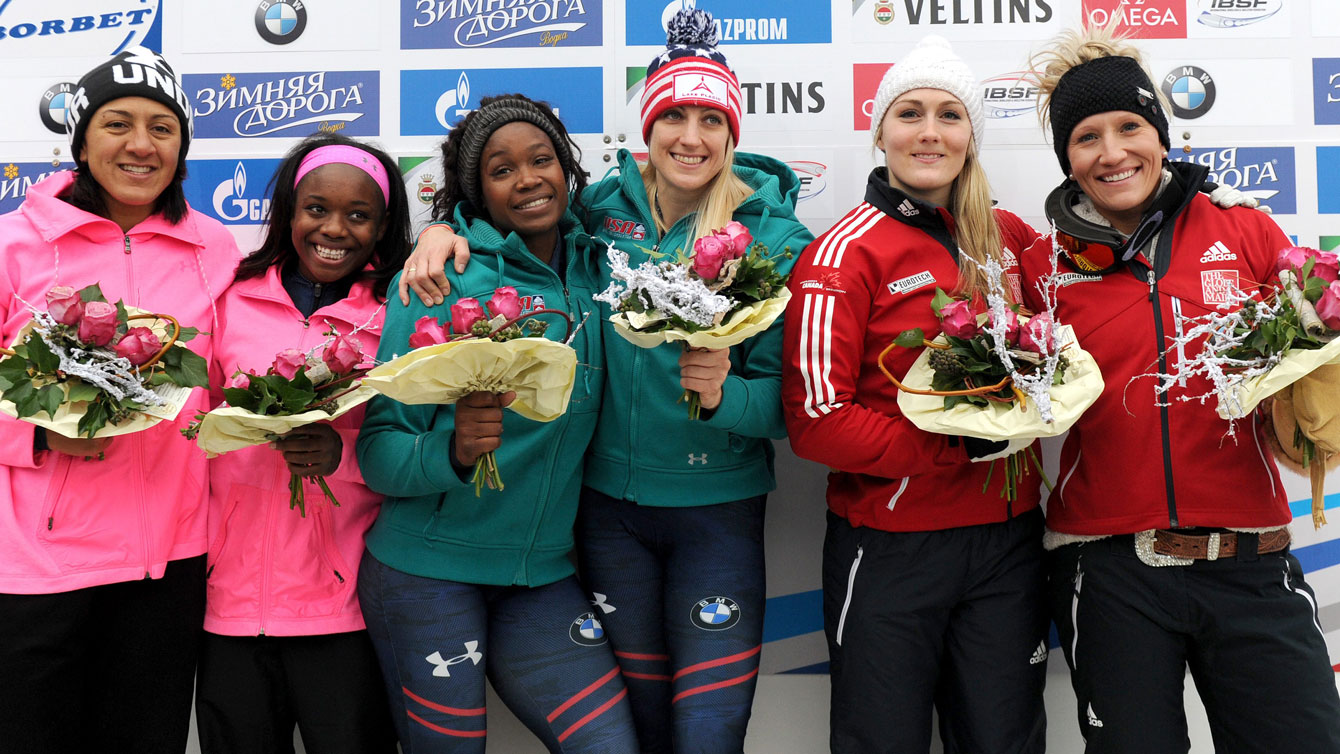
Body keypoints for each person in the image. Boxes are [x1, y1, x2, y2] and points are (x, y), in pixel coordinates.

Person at [399, 11, 814, 751]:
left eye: (711, 118)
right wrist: (440, 229)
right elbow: (513, 214)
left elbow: (785, 406)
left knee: (710, 731)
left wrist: (722, 395)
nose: (691, 136)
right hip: (605, 514)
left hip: (717, 510)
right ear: (647, 128)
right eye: (673, 116)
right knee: (644, 727)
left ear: (733, 132)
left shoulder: (777, 237)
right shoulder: (596, 214)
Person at [1025, 23, 1340, 753]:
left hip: (1251, 560)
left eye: (1130, 126)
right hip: (1108, 570)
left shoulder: (1248, 231)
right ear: (1067, 158)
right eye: (1086, 137)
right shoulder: (1041, 264)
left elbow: (1309, 376)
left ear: (1161, 134)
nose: (1112, 153)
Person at [781, 36, 1048, 754]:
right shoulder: (843, 254)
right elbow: (816, 421)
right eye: (910, 112)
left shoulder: (1013, 239)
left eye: (949, 115)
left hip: (1009, 541)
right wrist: (951, 444)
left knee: (1006, 740)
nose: (929, 131)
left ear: (971, 136)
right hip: (894, 549)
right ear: (880, 132)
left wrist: (1196, 208)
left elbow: (1105, 283)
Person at [355, 94, 638, 754]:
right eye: (501, 169)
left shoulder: (603, 265)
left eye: (541, 159)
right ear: (474, 191)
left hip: (541, 578)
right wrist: (452, 453)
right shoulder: (441, 278)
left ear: (568, 168)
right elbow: (379, 446)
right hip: (426, 573)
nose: (528, 178)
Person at [0, 47, 240, 753]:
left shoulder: (216, 250)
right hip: (38, 570)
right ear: (81, 138)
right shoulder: (15, 245)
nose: (141, 144)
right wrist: (39, 435)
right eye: (117, 123)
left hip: (165, 567)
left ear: (182, 145)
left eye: (162, 127)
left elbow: (234, 379)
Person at [194, 133, 408, 754]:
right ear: (288, 210)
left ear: (383, 224)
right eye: (316, 209)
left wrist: (342, 462)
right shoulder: (229, 301)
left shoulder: (395, 314)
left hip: (343, 605)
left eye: (358, 215)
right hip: (229, 599)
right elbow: (193, 427)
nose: (333, 229)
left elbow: (409, 444)